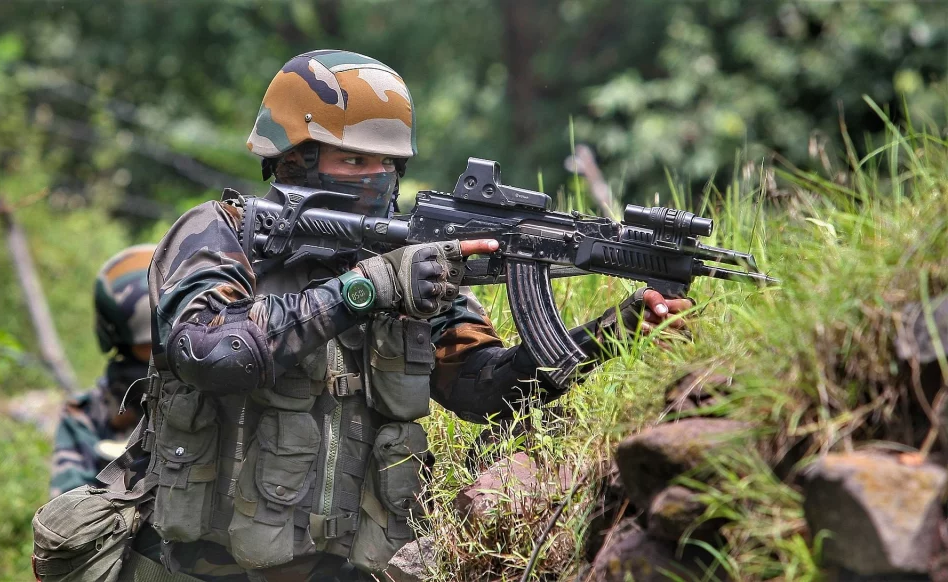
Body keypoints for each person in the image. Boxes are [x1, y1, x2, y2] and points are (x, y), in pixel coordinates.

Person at [121, 50, 692, 581]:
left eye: (388, 164)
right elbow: (214, 354)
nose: (376, 178)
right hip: (199, 566)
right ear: (293, 157)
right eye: (354, 159)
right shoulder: (221, 233)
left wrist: (611, 332)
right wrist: (366, 289)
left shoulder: (405, 262)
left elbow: (481, 387)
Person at [48, 244, 155, 498]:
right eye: (147, 346)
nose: (156, 356)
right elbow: (68, 519)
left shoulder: (217, 402)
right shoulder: (87, 415)